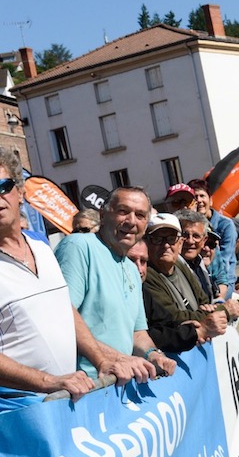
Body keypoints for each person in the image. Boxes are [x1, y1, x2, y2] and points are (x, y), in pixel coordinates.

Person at [0, 149, 155, 410]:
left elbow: (66, 310)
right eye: (123, 211)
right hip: (20, 409)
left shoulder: (41, 248)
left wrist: (102, 361)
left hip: (67, 399)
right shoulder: (76, 246)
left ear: (20, 192)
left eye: (3, 186)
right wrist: (48, 382)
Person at [55, 186, 177, 379]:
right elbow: (62, 317)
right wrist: (121, 359)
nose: (131, 221)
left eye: (140, 215)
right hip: (85, 385)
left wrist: (153, 355)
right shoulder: (78, 246)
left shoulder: (131, 269)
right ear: (103, 215)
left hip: (119, 384)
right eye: (123, 211)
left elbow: (137, 334)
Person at [142, 212, 234, 338]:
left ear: (180, 243)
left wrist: (205, 313)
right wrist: (221, 311)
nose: (166, 245)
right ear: (146, 243)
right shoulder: (146, 275)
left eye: (171, 239)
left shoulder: (180, 265)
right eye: (157, 239)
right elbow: (174, 318)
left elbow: (204, 300)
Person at [127, 238, 211, 352]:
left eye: (143, 261)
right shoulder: (121, 293)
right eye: (131, 261)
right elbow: (145, 335)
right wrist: (195, 332)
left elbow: (165, 323)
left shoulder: (143, 293)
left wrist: (187, 329)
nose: (139, 269)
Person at [188, 179, 238, 299]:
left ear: (210, 200)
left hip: (223, 281)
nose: (199, 200)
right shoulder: (189, 226)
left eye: (202, 196)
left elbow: (225, 260)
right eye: (195, 197)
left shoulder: (225, 225)